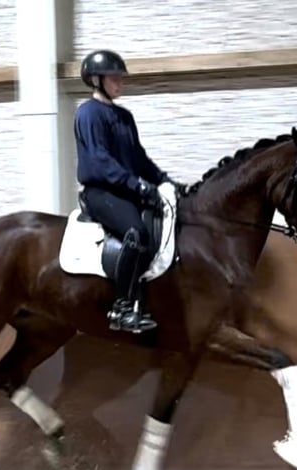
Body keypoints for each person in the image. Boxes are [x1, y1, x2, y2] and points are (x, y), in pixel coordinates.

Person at [74, 49, 184, 334]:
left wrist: (164, 181)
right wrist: (137, 186)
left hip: (125, 189)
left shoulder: (124, 116)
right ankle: (122, 307)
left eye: (120, 78)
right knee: (136, 234)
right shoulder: (88, 113)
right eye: (113, 78)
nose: (119, 83)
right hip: (100, 191)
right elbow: (100, 161)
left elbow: (138, 159)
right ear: (96, 80)